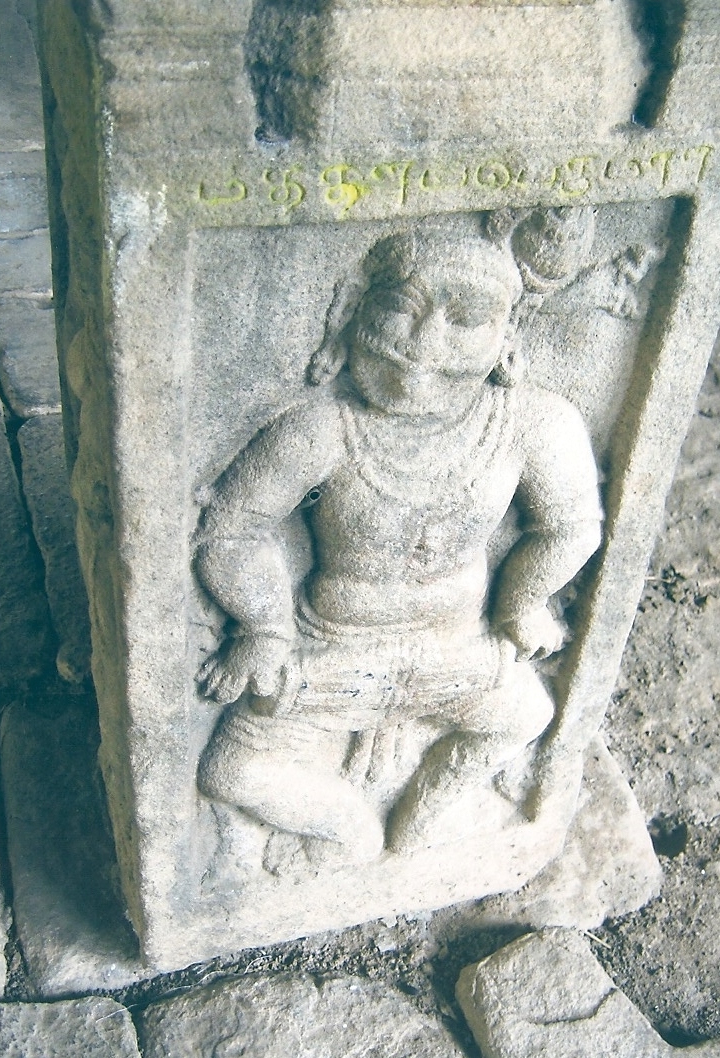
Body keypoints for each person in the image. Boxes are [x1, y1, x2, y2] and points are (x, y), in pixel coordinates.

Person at [194, 220, 602, 868]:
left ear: (507, 337)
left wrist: (522, 603)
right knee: (230, 773)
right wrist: (264, 628)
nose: (423, 343)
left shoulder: (532, 424)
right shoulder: (322, 429)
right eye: (400, 308)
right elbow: (230, 529)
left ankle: (425, 817)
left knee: (526, 716)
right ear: (352, 315)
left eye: (464, 318)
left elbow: (572, 526)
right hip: (335, 648)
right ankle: (350, 828)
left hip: (457, 647)